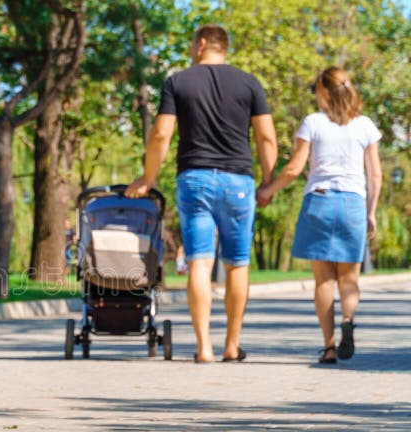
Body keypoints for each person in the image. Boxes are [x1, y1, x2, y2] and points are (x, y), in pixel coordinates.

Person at [125, 24, 277, 363]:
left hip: (194, 179)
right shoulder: (249, 83)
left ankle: (204, 347)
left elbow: (161, 134)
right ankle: (232, 345)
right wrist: (268, 180)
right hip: (238, 181)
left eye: (191, 44)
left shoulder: (178, 81)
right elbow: (266, 137)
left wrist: (148, 178)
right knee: (237, 264)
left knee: (199, 261)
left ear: (202, 44)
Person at [257, 67, 382, 364]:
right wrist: (371, 211)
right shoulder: (365, 126)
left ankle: (328, 348)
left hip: (320, 202)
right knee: (349, 280)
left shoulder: (313, 122)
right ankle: (348, 320)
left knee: (324, 281)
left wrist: (267, 190)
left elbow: (294, 169)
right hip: (353, 203)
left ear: (324, 91)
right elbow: (375, 174)